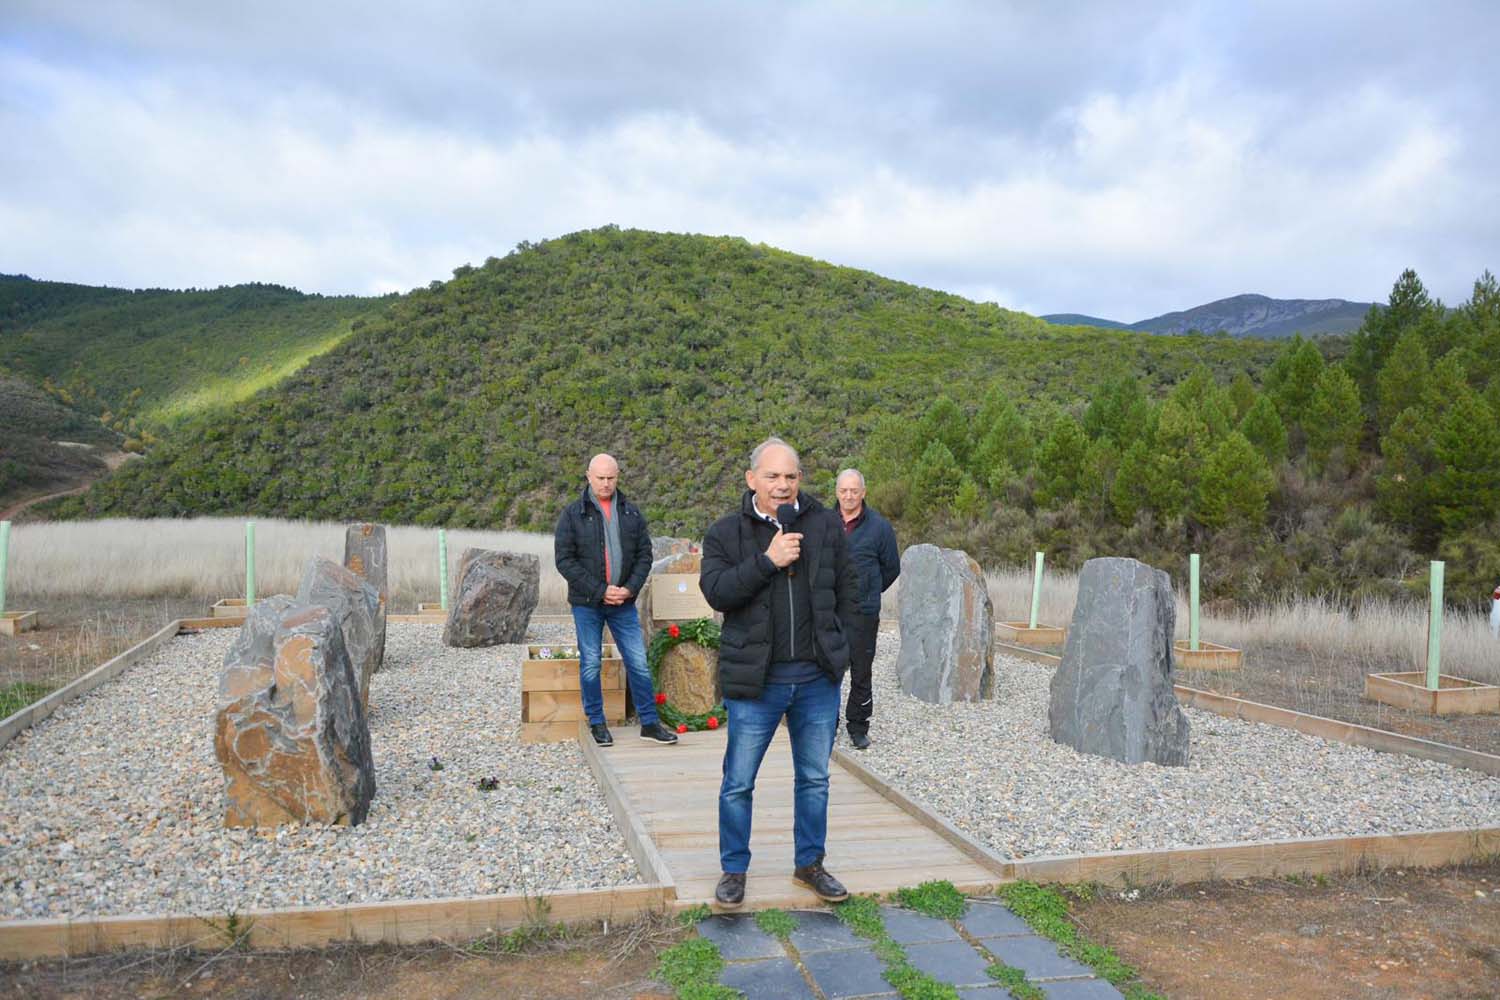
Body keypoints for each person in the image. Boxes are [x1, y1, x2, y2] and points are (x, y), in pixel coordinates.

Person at [699, 437, 859, 908]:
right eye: (772, 476)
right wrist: (768, 561)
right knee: (739, 781)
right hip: (756, 681)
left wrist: (841, 651)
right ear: (752, 480)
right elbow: (718, 592)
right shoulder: (725, 533)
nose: (783, 485)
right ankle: (734, 869)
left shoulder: (827, 526)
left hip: (815, 679)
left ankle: (809, 864)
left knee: (814, 779)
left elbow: (851, 593)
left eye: (790, 476)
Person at [554, 453, 678, 747]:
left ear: (618, 477)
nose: (606, 483)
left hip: (623, 603)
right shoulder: (573, 514)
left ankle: (649, 723)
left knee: (638, 662)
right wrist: (600, 590)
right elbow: (565, 561)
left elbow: (644, 555)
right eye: (600, 478)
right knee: (591, 663)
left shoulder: (631, 513)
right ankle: (597, 723)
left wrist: (630, 588)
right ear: (588, 476)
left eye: (611, 478)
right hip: (587, 603)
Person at [833, 468, 900, 750]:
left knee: (861, 671)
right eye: (844, 490)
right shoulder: (823, 522)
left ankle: (858, 726)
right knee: (827, 670)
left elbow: (891, 568)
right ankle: (825, 723)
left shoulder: (880, 527)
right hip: (829, 610)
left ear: (864, 492)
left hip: (863, 612)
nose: (849, 496)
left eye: (854, 490)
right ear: (837, 492)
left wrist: (869, 590)